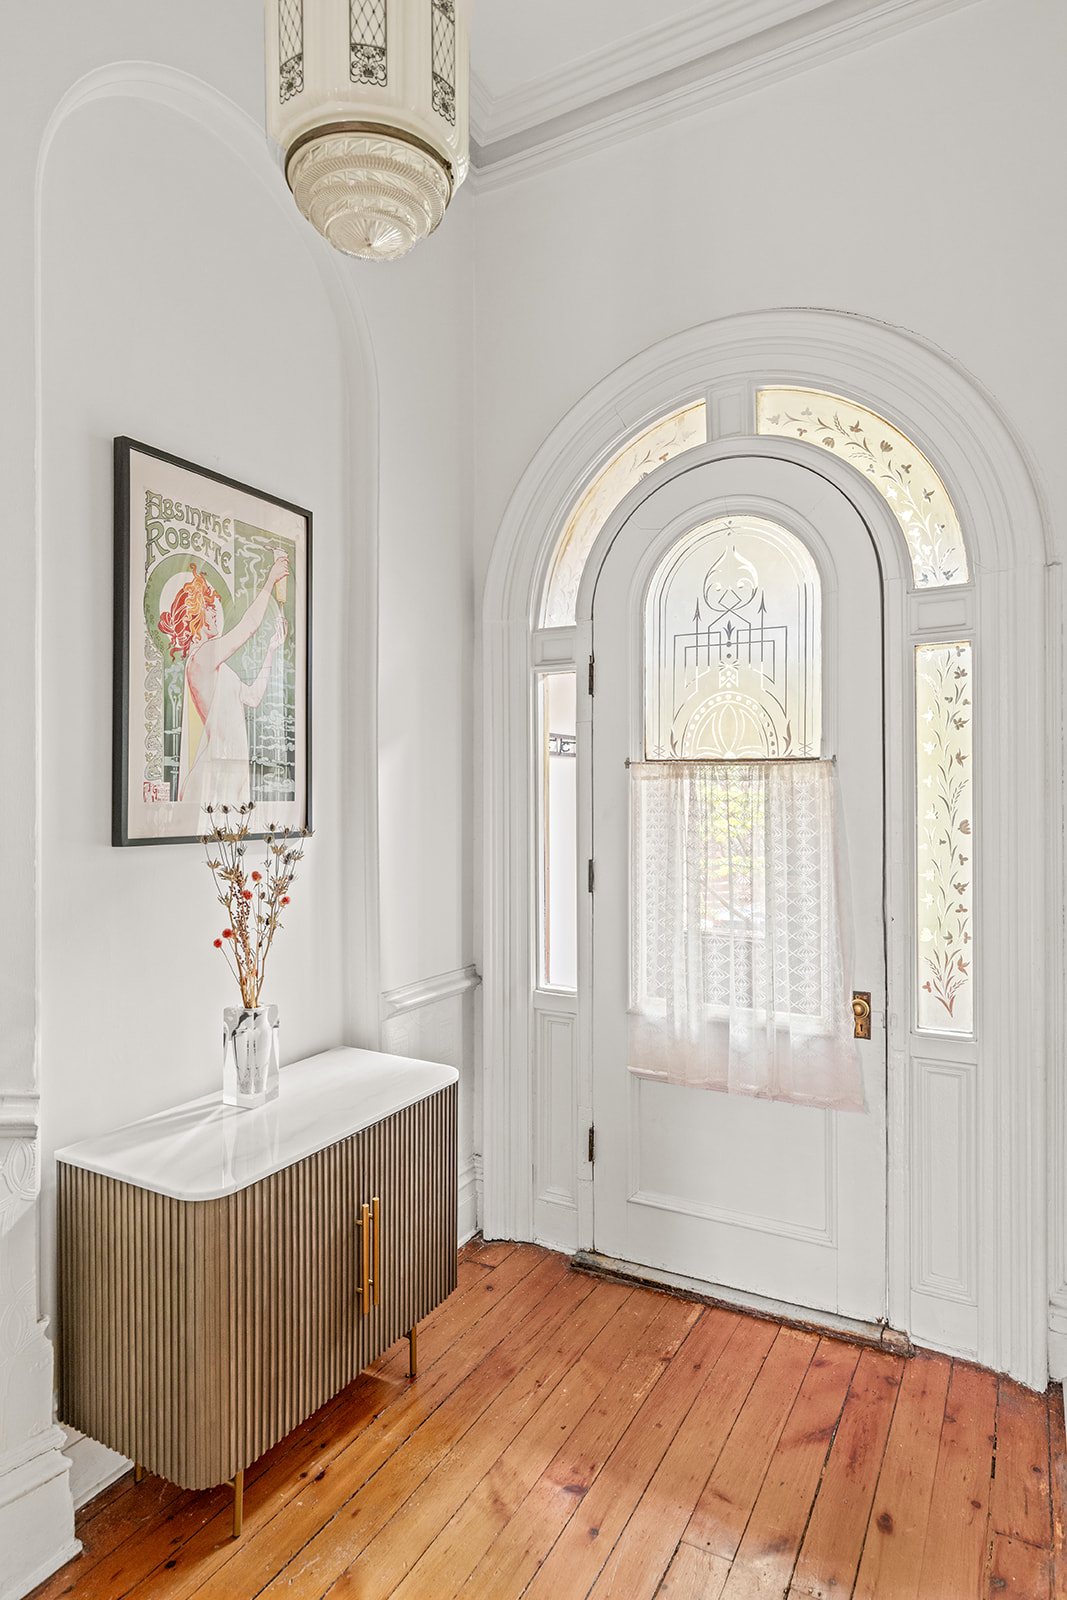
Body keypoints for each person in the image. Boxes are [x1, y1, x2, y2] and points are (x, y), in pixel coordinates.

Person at [158, 554, 289, 807]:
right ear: (194, 612)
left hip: (233, 769)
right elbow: (249, 626)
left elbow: (253, 697)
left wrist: (271, 649)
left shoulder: (221, 668)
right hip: (215, 775)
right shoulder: (200, 659)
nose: (215, 611)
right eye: (208, 606)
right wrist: (270, 580)